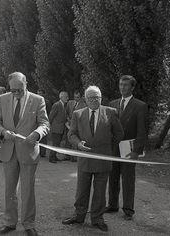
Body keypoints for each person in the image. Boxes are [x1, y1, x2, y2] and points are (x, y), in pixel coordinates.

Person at [0, 72, 49, 236]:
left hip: (28, 151)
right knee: (9, 190)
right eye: (13, 90)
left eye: (19, 90)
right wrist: (3, 132)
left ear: (26, 84)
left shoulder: (38, 100)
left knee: (28, 190)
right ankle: (10, 222)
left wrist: (37, 134)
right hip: (9, 151)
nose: (16, 93)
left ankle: (29, 224)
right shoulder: (3, 99)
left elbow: (44, 123)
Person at [62, 86, 124, 232]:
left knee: (100, 192)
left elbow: (119, 133)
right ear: (86, 99)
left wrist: (108, 149)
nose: (94, 100)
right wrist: (78, 143)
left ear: (101, 98)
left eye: (97, 97)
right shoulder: (78, 114)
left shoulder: (111, 112)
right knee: (82, 190)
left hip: (103, 160)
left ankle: (97, 219)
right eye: (91, 97)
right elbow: (71, 134)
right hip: (85, 159)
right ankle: (79, 216)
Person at [105, 75, 148, 220]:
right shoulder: (112, 104)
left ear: (132, 87)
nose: (122, 87)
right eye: (120, 84)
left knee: (128, 179)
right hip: (114, 148)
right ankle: (112, 204)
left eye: (126, 85)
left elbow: (142, 131)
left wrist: (136, 150)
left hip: (129, 149)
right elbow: (108, 128)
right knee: (113, 177)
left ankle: (128, 209)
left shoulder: (140, 106)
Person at [48, 91, 69, 163]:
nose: (67, 98)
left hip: (61, 128)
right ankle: (51, 158)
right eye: (66, 97)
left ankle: (54, 156)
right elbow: (51, 116)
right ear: (61, 97)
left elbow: (63, 117)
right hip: (56, 128)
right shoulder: (57, 105)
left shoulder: (64, 105)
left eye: (67, 97)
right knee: (55, 143)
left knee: (57, 143)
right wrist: (48, 126)